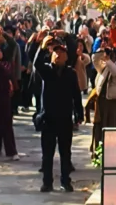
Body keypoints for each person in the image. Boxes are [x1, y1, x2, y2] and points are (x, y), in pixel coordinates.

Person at [36, 38, 84, 191]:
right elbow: (36, 63)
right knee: (47, 154)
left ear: (66, 57)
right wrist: (42, 47)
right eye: (55, 52)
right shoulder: (47, 71)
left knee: (65, 153)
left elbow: (76, 95)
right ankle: (47, 182)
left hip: (64, 119)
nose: (58, 55)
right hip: (48, 119)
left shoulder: (71, 73)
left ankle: (65, 181)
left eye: (61, 53)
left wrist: (79, 113)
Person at [90, 47, 116, 150]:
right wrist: (101, 51)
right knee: (99, 126)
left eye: (113, 56)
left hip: (113, 104)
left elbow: (115, 73)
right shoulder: (104, 67)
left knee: (112, 126)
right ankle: (98, 150)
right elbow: (95, 60)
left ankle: (112, 150)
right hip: (102, 102)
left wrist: (109, 61)